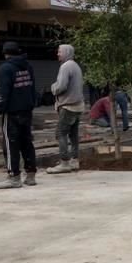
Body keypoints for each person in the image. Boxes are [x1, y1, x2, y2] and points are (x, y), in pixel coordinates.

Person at [0, 41, 38, 188]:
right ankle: (30, 175)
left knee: (10, 145)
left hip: (11, 113)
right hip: (27, 111)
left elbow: (2, 92)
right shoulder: (27, 66)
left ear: (5, 53)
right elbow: (32, 88)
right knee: (26, 142)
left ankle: (14, 177)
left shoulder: (5, 68)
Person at [48, 44, 84, 174]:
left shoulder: (65, 66)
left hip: (68, 106)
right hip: (78, 106)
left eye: (59, 52)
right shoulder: (75, 66)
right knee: (73, 135)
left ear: (66, 52)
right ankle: (75, 160)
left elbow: (61, 87)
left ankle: (64, 163)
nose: (57, 54)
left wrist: (53, 87)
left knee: (61, 134)